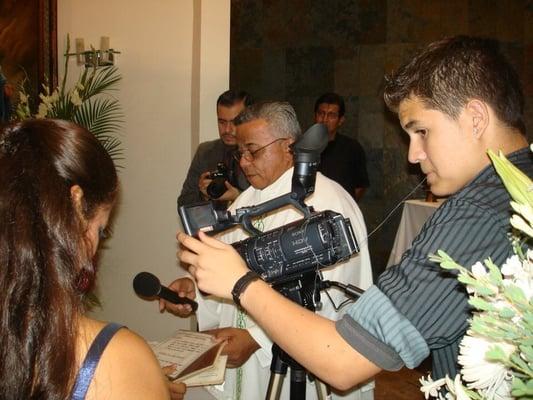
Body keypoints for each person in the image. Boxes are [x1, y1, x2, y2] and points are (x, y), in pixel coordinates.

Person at [176, 35, 533, 392]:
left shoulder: (475, 213)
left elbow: (346, 358)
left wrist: (241, 283)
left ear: (475, 118)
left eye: (421, 131)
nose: (413, 155)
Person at [164, 102, 374, 399]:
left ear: (289, 146)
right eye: (240, 153)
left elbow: (330, 296)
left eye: (254, 151)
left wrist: (258, 339)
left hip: (301, 367)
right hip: (249, 368)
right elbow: (228, 265)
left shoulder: (326, 203)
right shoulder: (247, 200)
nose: (245, 163)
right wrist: (196, 289)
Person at [0, 119, 180, 399]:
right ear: (75, 204)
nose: (95, 247)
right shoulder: (113, 356)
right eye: (101, 229)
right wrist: (142, 381)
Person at [177, 90, 252, 208]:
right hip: (215, 225)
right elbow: (183, 204)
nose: (227, 129)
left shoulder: (259, 153)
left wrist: (238, 197)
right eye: (222, 122)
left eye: (234, 122)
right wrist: (204, 195)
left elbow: (270, 201)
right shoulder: (205, 152)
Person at [314, 92, 369, 201]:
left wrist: (346, 206)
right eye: (321, 113)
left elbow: (360, 186)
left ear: (341, 120)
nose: (325, 120)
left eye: (331, 115)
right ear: (315, 116)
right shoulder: (303, 147)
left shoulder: (352, 148)